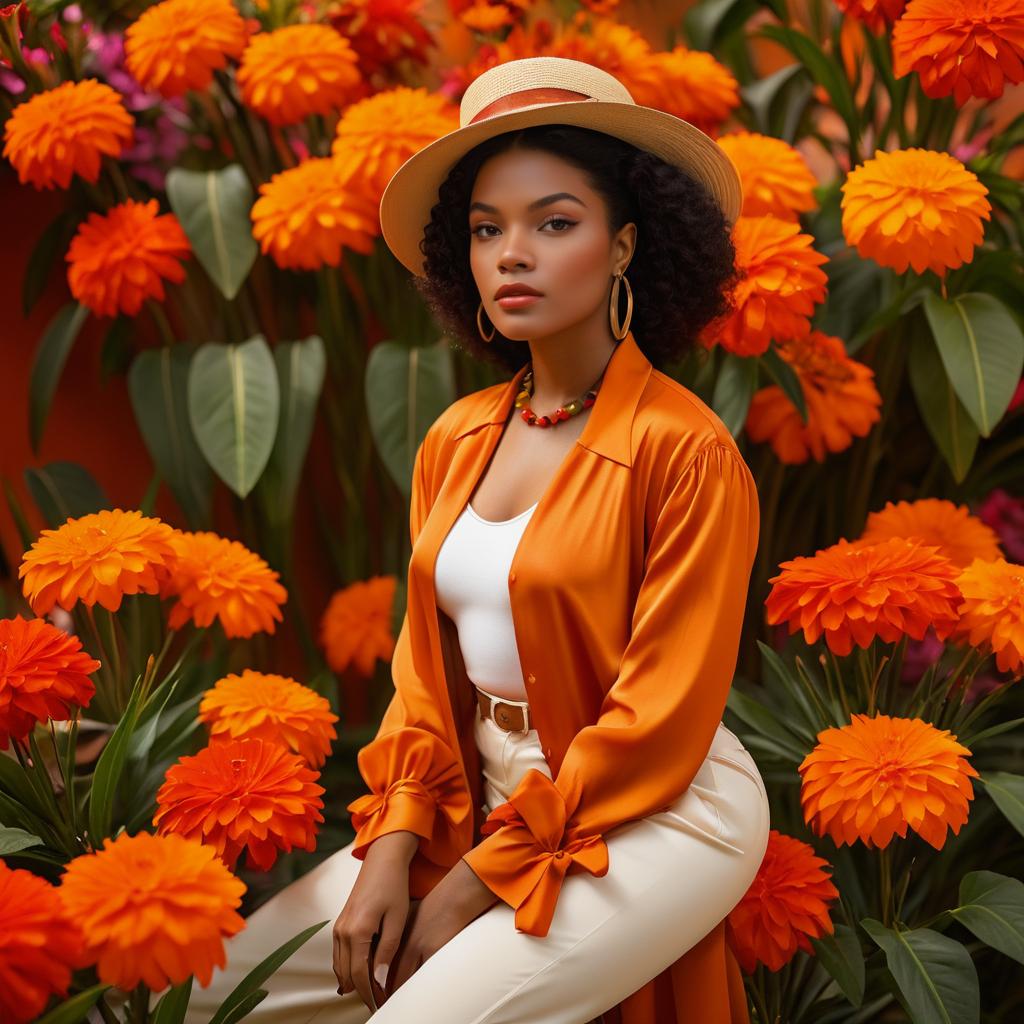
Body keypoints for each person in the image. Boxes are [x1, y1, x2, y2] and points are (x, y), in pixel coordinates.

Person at [183, 55, 769, 1024]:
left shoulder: (685, 452)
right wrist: (397, 843)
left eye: (554, 222)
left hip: (653, 805)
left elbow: (657, 720)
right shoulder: (455, 437)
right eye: (486, 230)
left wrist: (464, 890)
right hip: (482, 787)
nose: (511, 255)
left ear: (624, 245)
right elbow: (424, 674)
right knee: (209, 991)